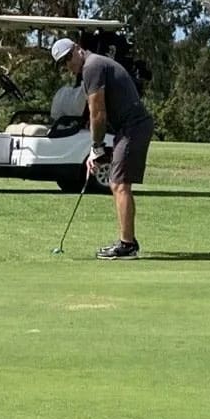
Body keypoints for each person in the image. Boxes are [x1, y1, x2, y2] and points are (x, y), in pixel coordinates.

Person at [51, 36, 155, 260]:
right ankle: (127, 242)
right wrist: (95, 150)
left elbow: (97, 112)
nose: (69, 63)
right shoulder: (91, 67)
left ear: (78, 49)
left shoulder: (92, 66)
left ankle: (127, 245)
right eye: (63, 62)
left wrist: (96, 147)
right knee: (118, 183)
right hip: (127, 128)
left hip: (133, 126)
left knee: (118, 183)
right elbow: (95, 114)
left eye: (69, 56)